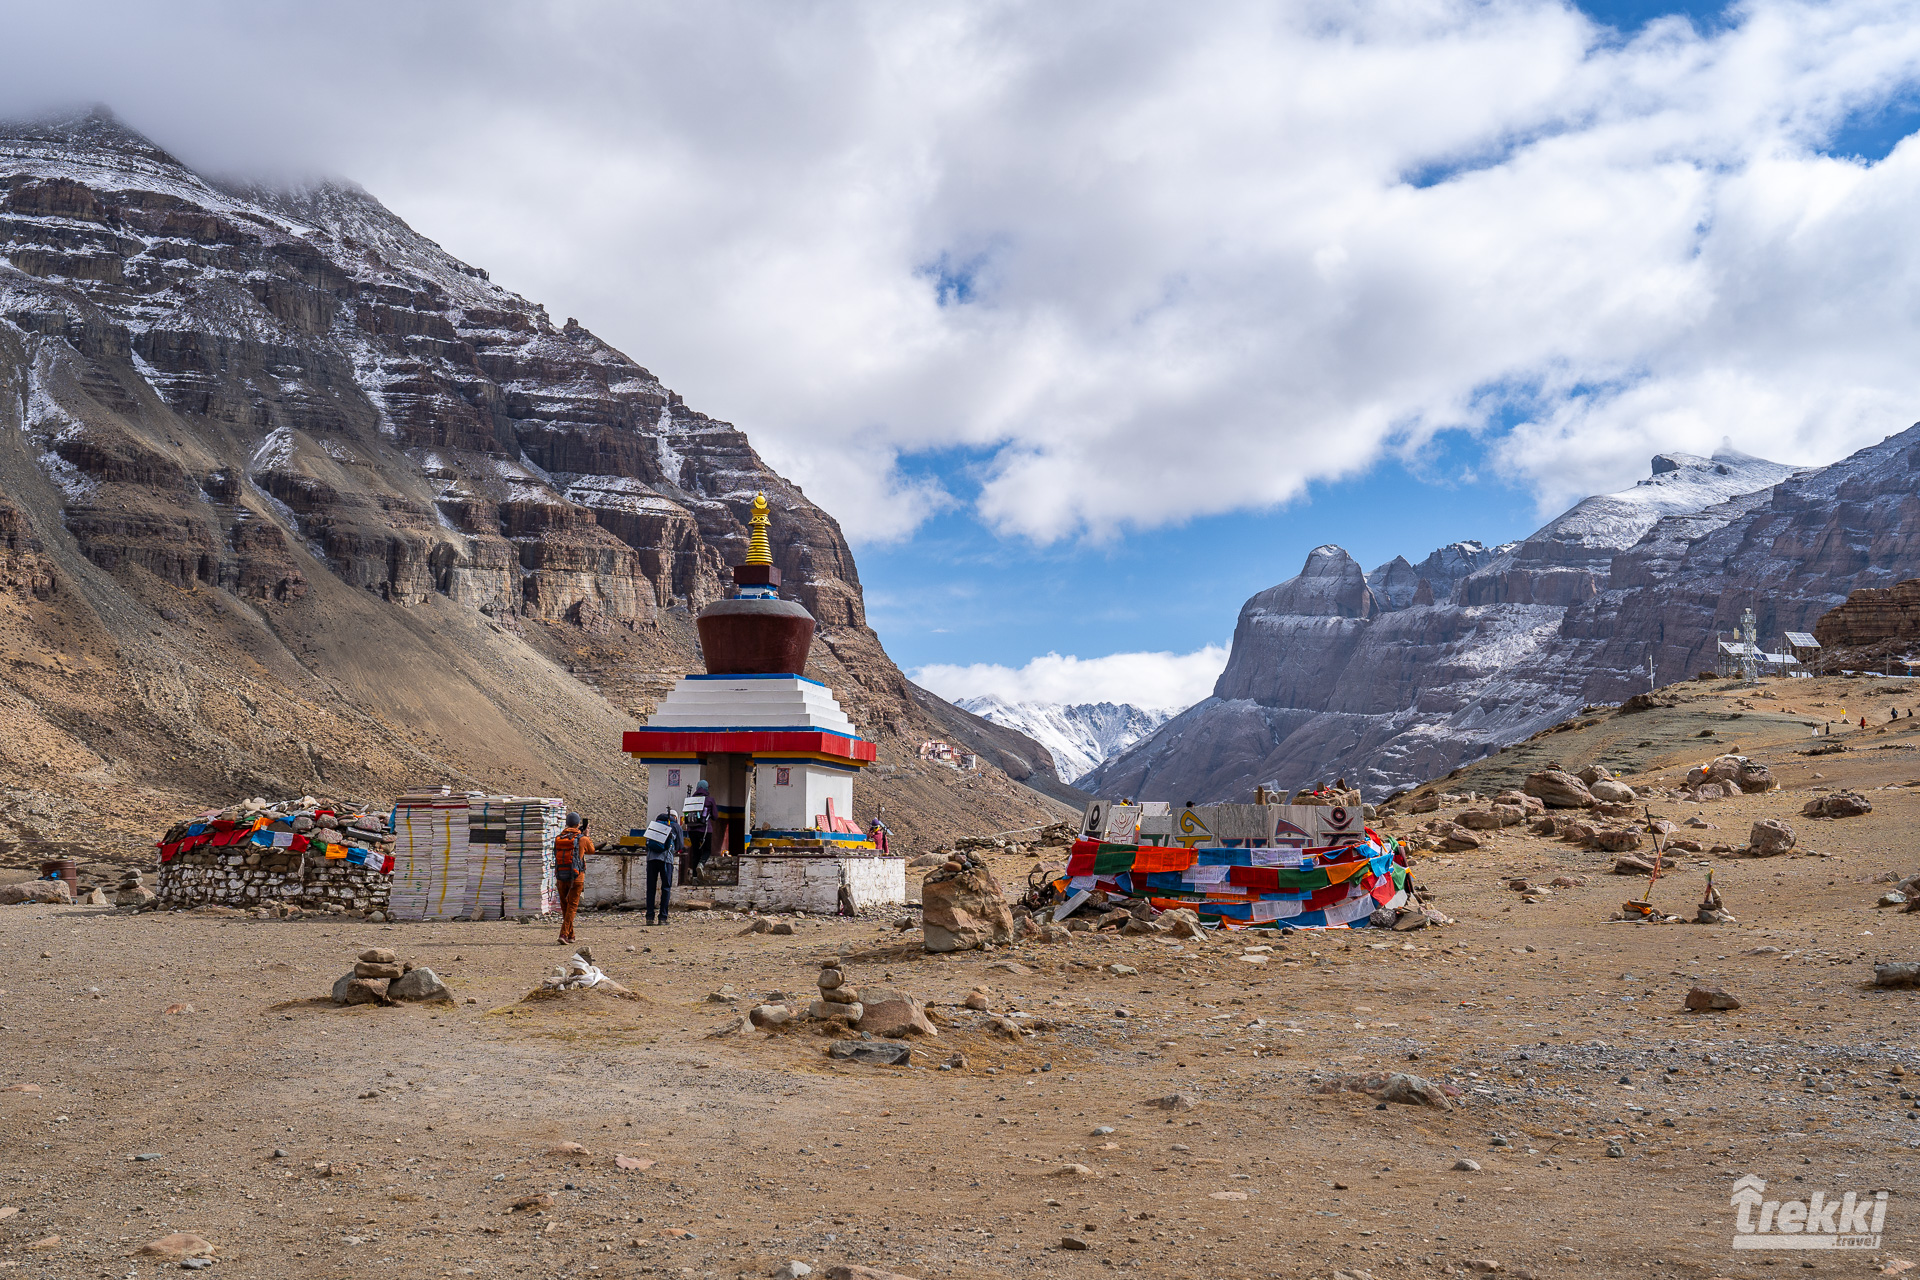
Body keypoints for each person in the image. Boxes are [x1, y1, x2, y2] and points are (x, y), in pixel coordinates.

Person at [553, 812, 594, 945]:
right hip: (577, 877)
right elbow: (591, 850)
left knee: (565, 906)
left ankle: (571, 935)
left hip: (561, 876)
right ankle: (564, 934)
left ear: (566, 823)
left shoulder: (558, 838)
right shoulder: (582, 839)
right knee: (572, 906)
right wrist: (586, 836)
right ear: (578, 825)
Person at [644, 808, 683, 925]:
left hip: (651, 859)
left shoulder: (653, 825)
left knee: (651, 888)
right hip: (666, 860)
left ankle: (649, 918)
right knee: (665, 888)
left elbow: (647, 844)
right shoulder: (675, 826)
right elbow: (680, 845)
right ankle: (663, 918)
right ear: (674, 818)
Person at [683, 779, 714, 879]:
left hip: (692, 830)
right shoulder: (709, 800)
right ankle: (701, 864)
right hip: (705, 830)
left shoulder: (691, 799)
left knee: (696, 851)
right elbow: (715, 816)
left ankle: (695, 878)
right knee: (707, 850)